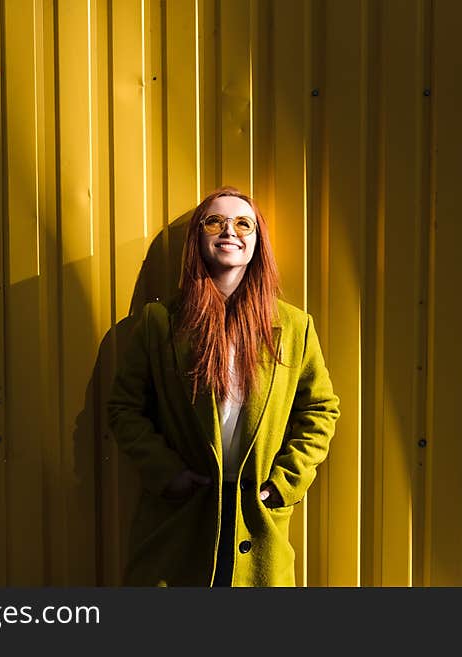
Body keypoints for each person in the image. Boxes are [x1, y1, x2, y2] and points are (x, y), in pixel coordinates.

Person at [107, 186, 340, 586]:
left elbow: (320, 410)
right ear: (198, 239)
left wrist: (284, 483)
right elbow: (124, 408)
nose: (228, 231)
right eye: (214, 222)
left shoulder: (295, 327)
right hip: (181, 517)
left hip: (257, 518)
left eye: (242, 223)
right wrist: (168, 473)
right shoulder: (159, 323)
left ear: (256, 243)